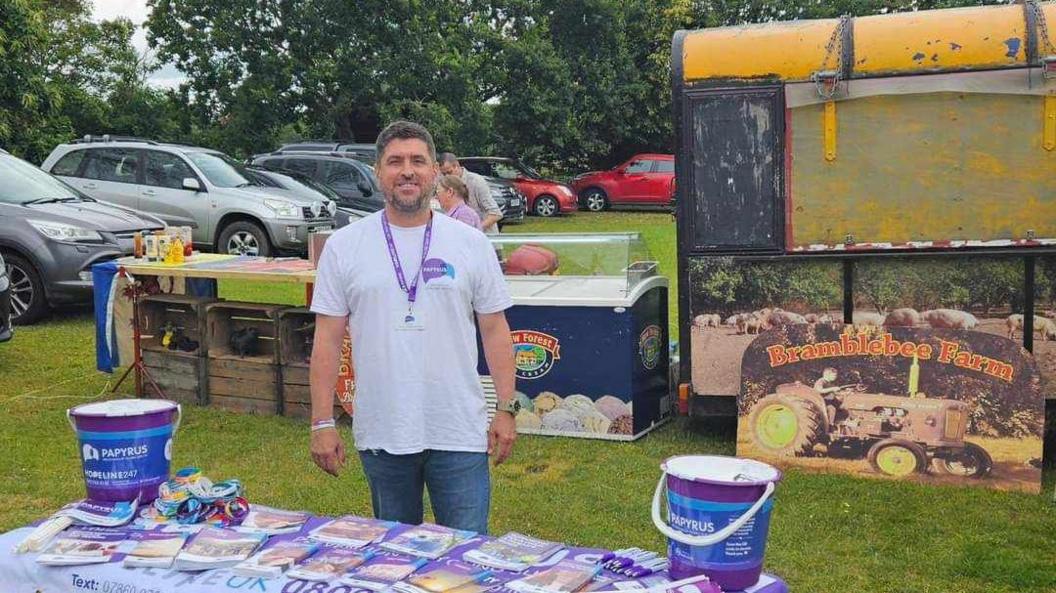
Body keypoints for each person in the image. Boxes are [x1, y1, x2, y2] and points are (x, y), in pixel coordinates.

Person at [308, 121, 518, 535]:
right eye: (395, 161)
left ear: (436, 172)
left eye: (418, 161)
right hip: (384, 431)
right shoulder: (344, 246)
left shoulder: (470, 242)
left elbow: (495, 330)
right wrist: (321, 422)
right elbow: (327, 342)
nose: (407, 171)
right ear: (377, 172)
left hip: (458, 430)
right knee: (394, 559)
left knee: (465, 556)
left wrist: (507, 409)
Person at [438, 153, 503, 234]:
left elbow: (496, 214)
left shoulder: (477, 181)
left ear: (456, 166)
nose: (447, 176)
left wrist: (474, 230)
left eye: (449, 172)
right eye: (444, 174)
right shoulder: (443, 183)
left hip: (487, 240)